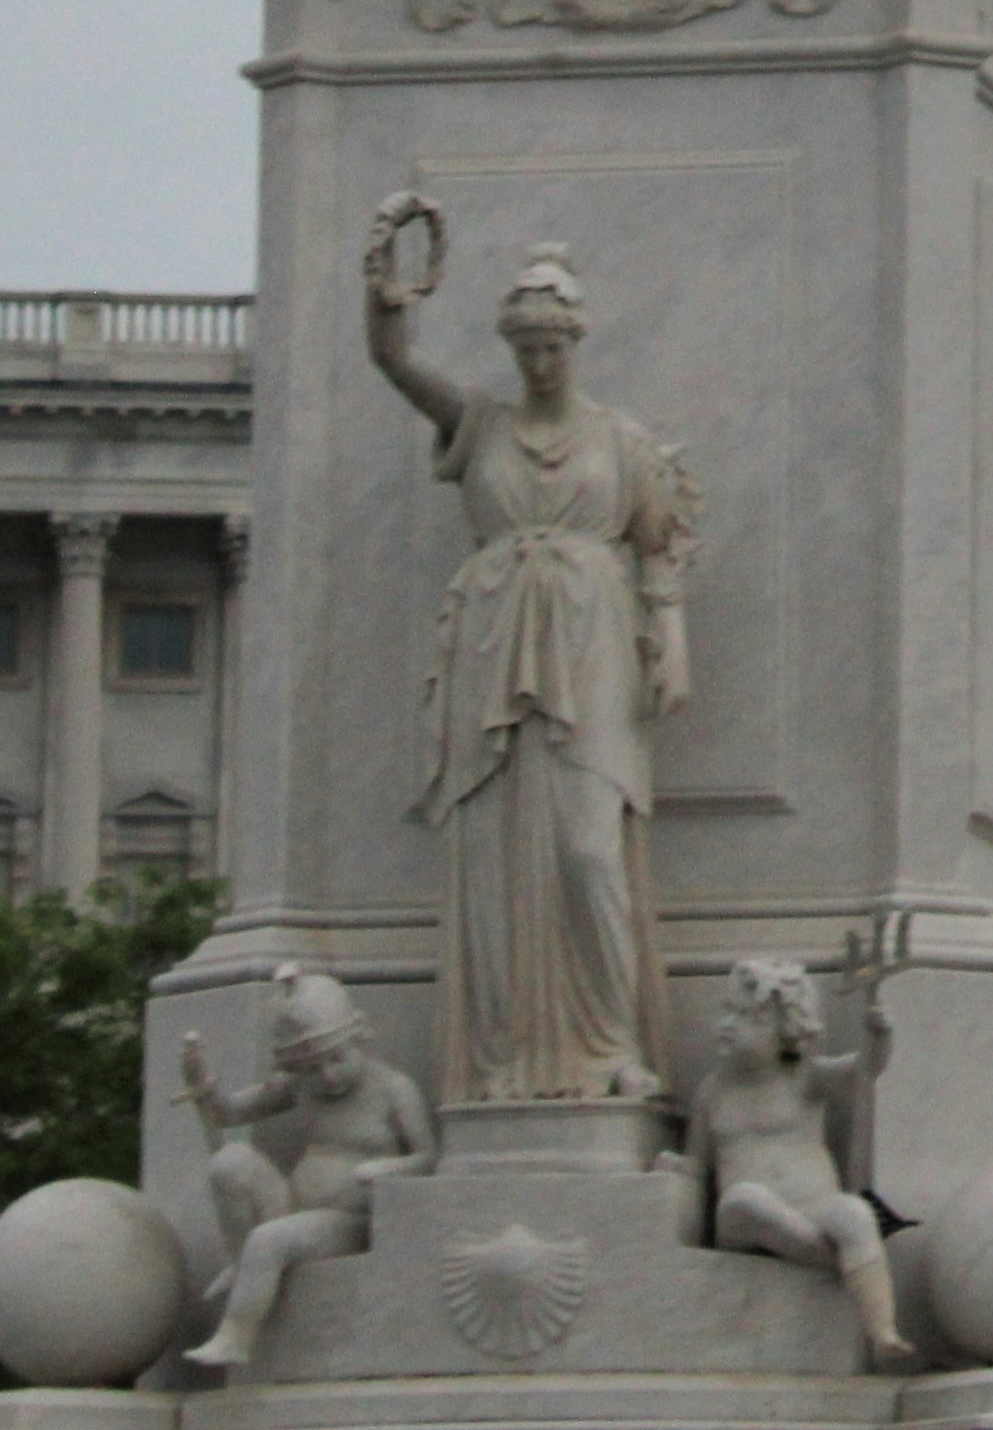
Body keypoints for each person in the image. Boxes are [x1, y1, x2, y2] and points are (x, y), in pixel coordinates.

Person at [366, 212, 700, 1098]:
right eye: (527, 349)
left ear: (574, 343)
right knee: (498, 858)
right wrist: (387, 305)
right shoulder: (480, 422)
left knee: (591, 849)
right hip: (493, 633)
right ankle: (504, 1053)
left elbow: (658, 545)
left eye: (552, 347)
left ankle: (613, 1045)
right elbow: (396, 366)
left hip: (593, 635)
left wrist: (672, 639)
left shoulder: (619, 440)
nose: (540, 363)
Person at [178, 964, 434, 1370]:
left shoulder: (393, 1089)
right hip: (292, 1203)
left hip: (347, 1220)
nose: (327, 1076)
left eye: (336, 1059)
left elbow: (430, 1158)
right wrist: (202, 1084)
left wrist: (390, 1169)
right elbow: (228, 1114)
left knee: (268, 1241)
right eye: (313, 1067)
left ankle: (236, 1336)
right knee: (229, 1162)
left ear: (360, 1038)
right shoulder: (301, 1087)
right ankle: (239, 1262)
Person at [689, 954, 912, 1364]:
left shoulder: (805, 1078)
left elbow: (866, 1069)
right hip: (743, 1225)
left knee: (854, 1213)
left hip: (813, 1208)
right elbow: (696, 1165)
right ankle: (831, 1258)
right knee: (746, 1198)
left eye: (748, 1019)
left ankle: (882, 1332)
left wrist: (878, 1035)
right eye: (729, 1014)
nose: (730, 1027)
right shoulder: (714, 1092)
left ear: (787, 1032)